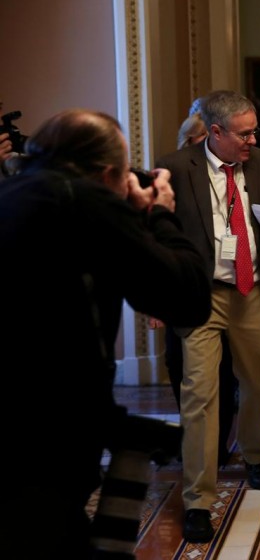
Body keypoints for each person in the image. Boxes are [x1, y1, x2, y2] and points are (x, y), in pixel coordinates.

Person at [1, 109, 211, 556]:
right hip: (39, 443)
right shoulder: (82, 200)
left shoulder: (15, 192)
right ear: (107, 173)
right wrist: (158, 215)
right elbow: (187, 297)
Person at [157, 89, 260, 543]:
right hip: (201, 295)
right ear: (214, 133)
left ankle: (254, 454)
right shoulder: (174, 167)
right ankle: (197, 499)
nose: (253, 140)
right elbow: (159, 238)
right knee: (199, 395)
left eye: (255, 131)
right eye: (244, 134)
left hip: (250, 290)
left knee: (258, 382)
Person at [153, 108, 237, 469]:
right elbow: (157, 240)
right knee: (179, 366)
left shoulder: (232, 174)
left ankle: (215, 447)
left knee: (222, 373)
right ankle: (193, 439)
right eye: (200, 141)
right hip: (179, 288)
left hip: (221, 289)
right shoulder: (169, 175)